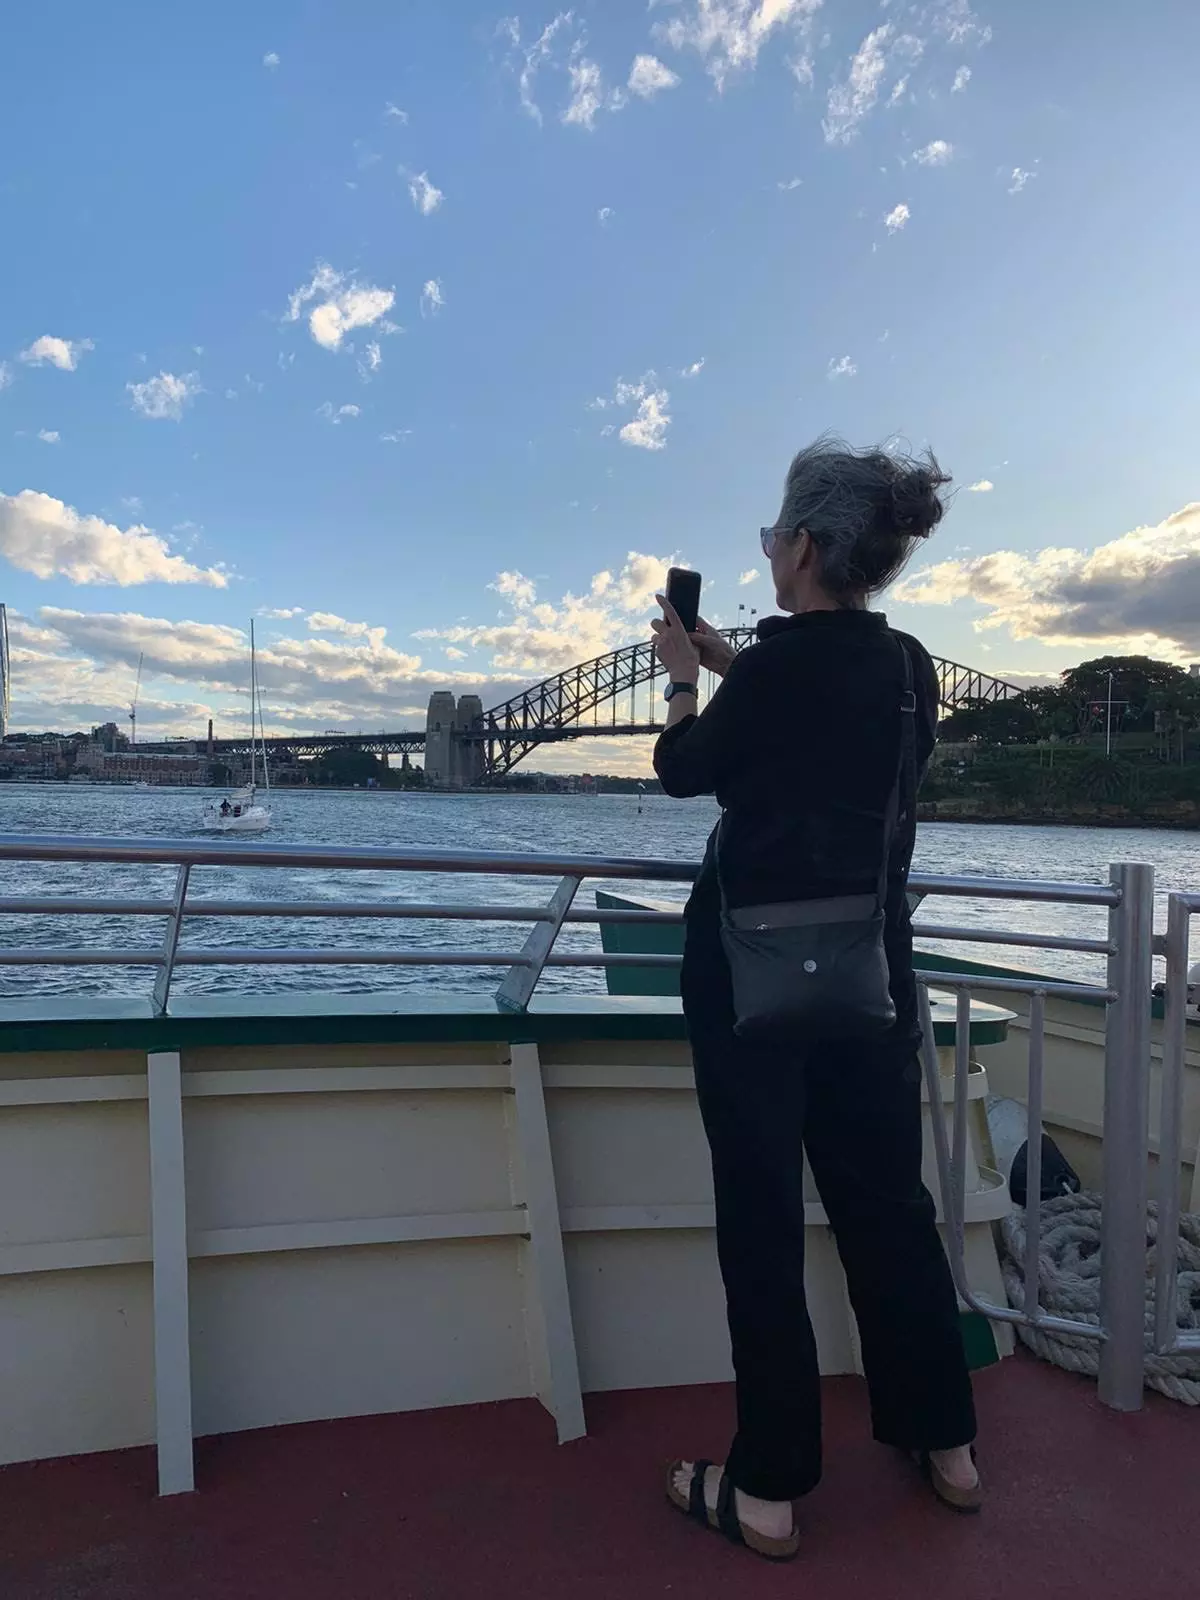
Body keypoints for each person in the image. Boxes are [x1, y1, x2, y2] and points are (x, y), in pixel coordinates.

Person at [652, 436, 979, 1563]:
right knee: (888, 1206)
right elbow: (820, 720)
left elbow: (685, 765)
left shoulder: (782, 667)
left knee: (761, 1219)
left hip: (749, 980)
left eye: (771, 538)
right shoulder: (909, 668)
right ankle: (946, 1442)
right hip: (870, 975)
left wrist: (688, 675)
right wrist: (740, 660)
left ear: (800, 544)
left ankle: (768, 1488)